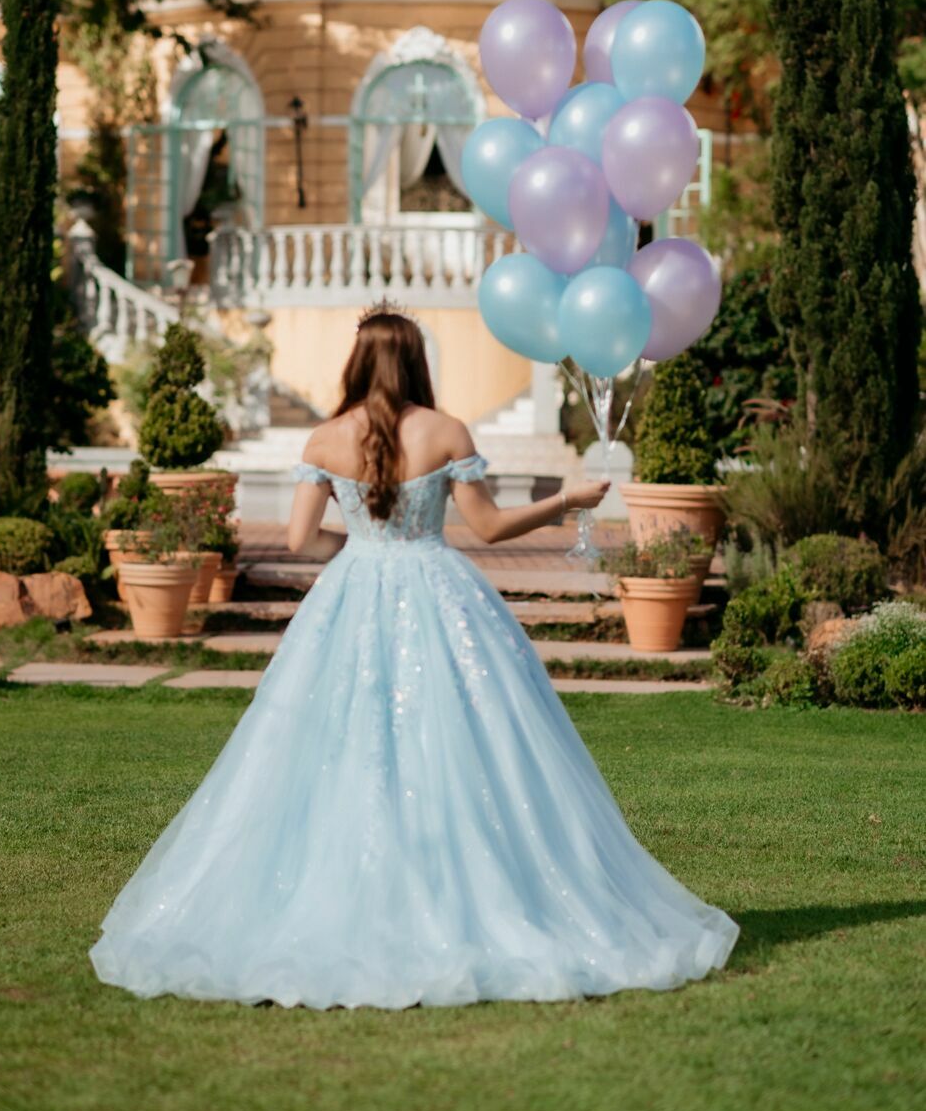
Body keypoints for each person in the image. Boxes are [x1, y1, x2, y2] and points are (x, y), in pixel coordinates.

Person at [90, 304, 738, 1008]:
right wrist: (564, 501)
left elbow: (302, 540)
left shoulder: (323, 439)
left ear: (357, 362)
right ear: (416, 360)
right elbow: (487, 528)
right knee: (468, 738)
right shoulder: (445, 431)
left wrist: (362, 556)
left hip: (353, 593)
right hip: (439, 588)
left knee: (333, 745)